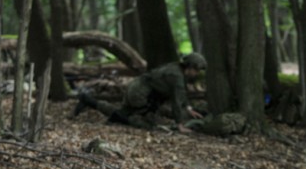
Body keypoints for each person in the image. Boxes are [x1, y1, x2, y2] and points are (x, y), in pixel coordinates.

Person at [73, 52, 207, 131]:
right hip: (140, 94)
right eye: (197, 70)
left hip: (137, 89)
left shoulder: (176, 69)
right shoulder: (176, 76)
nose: (196, 73)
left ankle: (89, 101)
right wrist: (179, 125)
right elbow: (177, 100)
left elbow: (181, 93)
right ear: (191, 66)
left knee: (121, 112)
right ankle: (120, 118)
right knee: (148, 126)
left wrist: (188, 108)